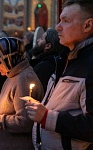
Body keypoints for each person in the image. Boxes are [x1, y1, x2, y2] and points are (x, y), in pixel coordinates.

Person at [25, 0, 93, 149]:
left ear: (87, 25)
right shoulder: (64, 59)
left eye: (65, 21)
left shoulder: (89, 64)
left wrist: (47, 117)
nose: (57, 27)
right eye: (59, 20)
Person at [0, 37, 44, 150]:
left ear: (9, 58)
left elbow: (24, 122)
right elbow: (10, 108)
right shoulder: (12, 75)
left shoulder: (23, 79)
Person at [30, 28, 69, 93]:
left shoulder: (44, 66)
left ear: (48, 46)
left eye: (42, 38)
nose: (37, 40)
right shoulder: (59, 61)